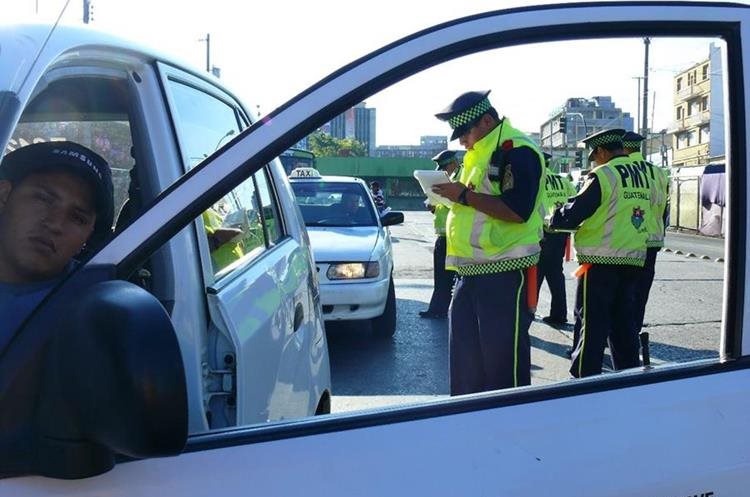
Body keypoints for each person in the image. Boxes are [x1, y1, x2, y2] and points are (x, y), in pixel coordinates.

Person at [432, 90, 546, 394]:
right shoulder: (476, 155)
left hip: (505, 272)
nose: (460, 141)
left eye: (464, 132)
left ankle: (508, 433)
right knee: (466, 367)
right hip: (469, 273)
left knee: (502, 371)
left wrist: (464, 196)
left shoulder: (518, 150)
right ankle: (470, 429)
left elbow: (517, 209)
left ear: (486, 120)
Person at [549, 129, 650, 378]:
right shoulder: (643, 175)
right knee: (624, 325)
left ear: (602, 151)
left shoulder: (605, 174)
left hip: (600, 261)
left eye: (595, 156)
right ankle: (628, 377)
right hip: (634, 259)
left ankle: (584, 379)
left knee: (592, 324)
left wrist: (553, 218)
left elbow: (575, 212)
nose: (594, 161)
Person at [0, 141, 114, 343]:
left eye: (77, 218)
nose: (55, 224)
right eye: (44, 199)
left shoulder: (96, 312)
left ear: (88, 236)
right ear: (4, 195)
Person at [622, 131, 670, 336]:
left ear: (623, 148)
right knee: (641, 292)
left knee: (622, 292)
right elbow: (665, 208)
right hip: (653, 241)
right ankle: (633, 332)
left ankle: (619, 338)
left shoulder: (623, 170)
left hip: (629, 240)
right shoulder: (659, 173)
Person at [419, 149, 461, 319]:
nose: (441, 170)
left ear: (454, 163)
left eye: (444, 166)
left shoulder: (461, 178)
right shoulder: (444, 180)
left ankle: (456, 311)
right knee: (441, 277)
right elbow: (439, 207)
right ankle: (437, 309)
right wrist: (432, 205)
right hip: (443, 236)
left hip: (457, 237)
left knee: (460, 279)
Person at [538, 152, 577, 326]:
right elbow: (574, 200)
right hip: (561, 231)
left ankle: (527, 312)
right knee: (555, 273)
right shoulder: (563, 180)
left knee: (535, 274)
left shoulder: (537, 179)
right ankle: (559, 313)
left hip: (541, 231)